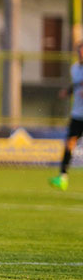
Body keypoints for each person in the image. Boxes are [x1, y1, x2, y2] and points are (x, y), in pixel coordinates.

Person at [50, 41, 83, 191]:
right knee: (69, 143)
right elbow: (77, 85)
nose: (81, 53)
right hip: (77, 113)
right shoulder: (75, 68)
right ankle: (63, 177)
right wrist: (67, 92)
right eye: (79, 51)